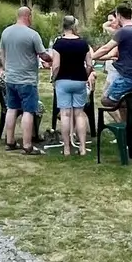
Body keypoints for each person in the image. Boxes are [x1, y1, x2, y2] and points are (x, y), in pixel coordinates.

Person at [92, 5, 132, 134]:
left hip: (128, 77)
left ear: (118, 15)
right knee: (126, 108)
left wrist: (90, 57)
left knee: (107, 100)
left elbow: (106, 48)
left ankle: (131, 108)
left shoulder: (124, 31)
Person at [0, 6, 47, 153]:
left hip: (10, 78)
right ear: (28, 16)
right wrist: (52, 58)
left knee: (11, 108)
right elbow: (43, 54)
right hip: (27, 79)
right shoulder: (32, 35)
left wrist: (6, 68)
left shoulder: (6, 32)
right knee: (28, 111)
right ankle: (27, 145)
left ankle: (10, 141)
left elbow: (2, 53)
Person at [48, 16, 92, 157]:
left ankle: (67, 148)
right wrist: (85, 75)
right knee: (79, 114)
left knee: (65, 114)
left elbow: (56, 66)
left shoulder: (59, 44)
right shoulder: (83, 43)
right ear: (74, 26)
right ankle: (82, 148)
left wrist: (53, 79)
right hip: (79, 80)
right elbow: (89, 64)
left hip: (63, 80)